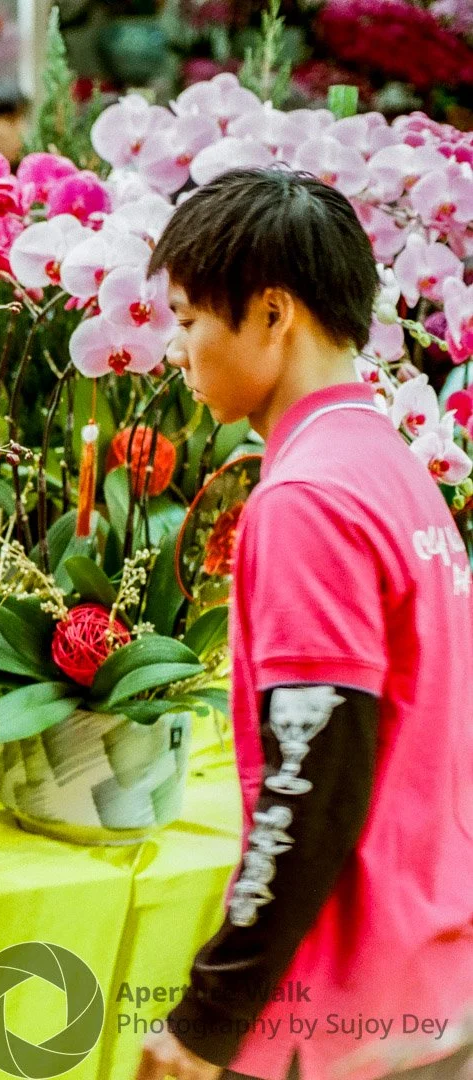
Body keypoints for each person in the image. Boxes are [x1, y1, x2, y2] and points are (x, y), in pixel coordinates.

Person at [135, 168, 473, 1080]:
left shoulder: (307, 500)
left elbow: (311, 778)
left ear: (273, 315)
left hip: (339, 1012)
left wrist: (211, 1014)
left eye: (188, 317)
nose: (176, 347)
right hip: (429, 983)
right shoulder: (393, 471)